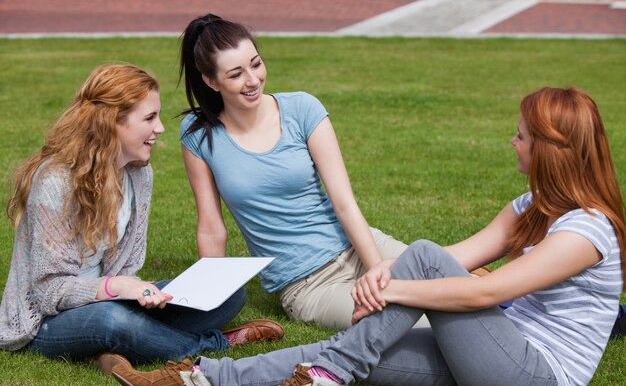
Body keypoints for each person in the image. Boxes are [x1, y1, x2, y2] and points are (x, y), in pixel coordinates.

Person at [112, 86, 625, 386]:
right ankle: (200, 377)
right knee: (357, 346)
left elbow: (486, 290)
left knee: (416, 260)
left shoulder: (588, 229)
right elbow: (459, 257)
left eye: (521, 136)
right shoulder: (531, 208)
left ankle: (332, 373)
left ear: (549, 150)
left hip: (535, 374)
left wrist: (386, 287)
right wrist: (385, 280)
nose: (512, 142)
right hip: (490, 352)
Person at [0, 64, 283, 375]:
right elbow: (49, 292)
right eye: (149, 118)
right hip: (46, 321)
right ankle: (212, 347)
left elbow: (127, 269)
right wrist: (117, 287)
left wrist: (138, 290)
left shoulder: (138, 173)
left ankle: (120, 348)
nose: (160, 128)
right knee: (113, 320)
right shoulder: (56, 182)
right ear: (112, 124)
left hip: (113, 299)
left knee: (228, 293)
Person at [177, 13, 436, 330]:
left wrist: (377, 270)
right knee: (415, 323)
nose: (253, 80)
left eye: (256, 64)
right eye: (236, 74)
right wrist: (211, 302)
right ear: (211, 81)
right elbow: (211, 227)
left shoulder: (302, 109)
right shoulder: (198, 134)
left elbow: (344, 203)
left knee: (454, 285)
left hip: (360, 246)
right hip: (308, 284)